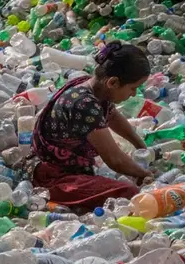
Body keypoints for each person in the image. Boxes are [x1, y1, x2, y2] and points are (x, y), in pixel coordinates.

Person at [30, 41, 153, 211]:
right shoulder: (83, 104)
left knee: (129, 188)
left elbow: (113, 117)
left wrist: (141, 146)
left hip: (72, 167)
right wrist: (144, 174)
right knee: (129, 193)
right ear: (113, 82)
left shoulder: (93, 87)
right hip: (54, 177)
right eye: (133, 88)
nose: (134, 94)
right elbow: (115, 160)